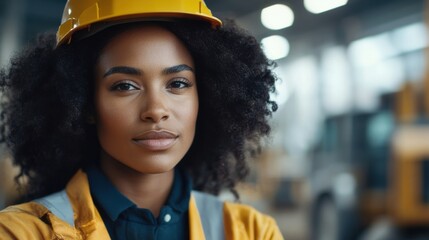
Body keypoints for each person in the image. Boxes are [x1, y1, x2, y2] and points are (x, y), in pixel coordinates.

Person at [0, 0, 282, 239]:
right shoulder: (18, 232)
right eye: (125, 86)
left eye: (178, 83)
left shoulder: (253, 231)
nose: (156, 109)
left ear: (205, 96)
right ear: (85, 104)